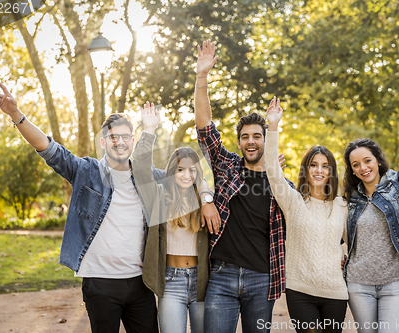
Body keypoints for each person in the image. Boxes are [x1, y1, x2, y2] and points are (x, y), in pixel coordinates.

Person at [0, 81, 220, 333]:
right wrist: (15, 114)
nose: (119, 142)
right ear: (103, 142)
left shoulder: (149, 177)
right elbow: (48, 148)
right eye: (113, 137)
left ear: (133, 141)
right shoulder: (85, 171)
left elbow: (189, 178)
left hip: (140, 282)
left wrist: (207, 198)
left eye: (124, 137)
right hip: (100, 282)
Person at [194, 40, 293, 333]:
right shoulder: (228, 166)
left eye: (257, 136)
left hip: (262, 279)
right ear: (239, 143)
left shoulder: (282, 186)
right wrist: (202, 77)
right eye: (245, 136)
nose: (251, 141)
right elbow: (204, 129)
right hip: (222, 276)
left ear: (267, 140)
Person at [342, 77, 399, 333]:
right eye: (356, 164)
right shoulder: (350, 198)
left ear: (378, 161)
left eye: (367, 160)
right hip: (359, 285)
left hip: (395, 283)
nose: (363, 168)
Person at [264, 97, 348, 333]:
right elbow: (272, 169)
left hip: (335, 293)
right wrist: (273, 126)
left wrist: (346, 258)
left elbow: (354, 244)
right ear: (306, 169)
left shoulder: (342, 206)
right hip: (300, 291)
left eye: (325, 165)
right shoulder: (292, 200)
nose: (319, 170)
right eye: (313, 164)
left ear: (331, 170)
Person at [132, 102, 212, 333]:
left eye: (192, 170)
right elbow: (140, 169)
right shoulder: (159, 196)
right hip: (171, 282)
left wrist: (206, 196)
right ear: (172, 171)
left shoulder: (205, 203)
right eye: (180, 169)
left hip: (202, 283)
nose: (186, 175)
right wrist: (149, 131)